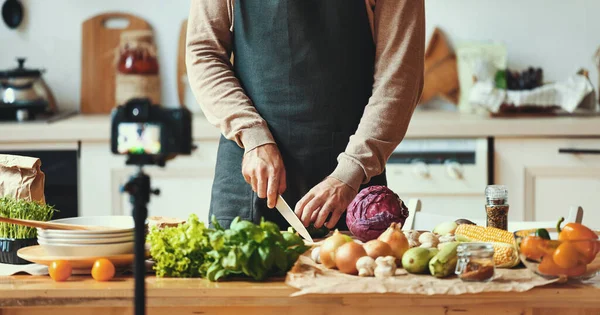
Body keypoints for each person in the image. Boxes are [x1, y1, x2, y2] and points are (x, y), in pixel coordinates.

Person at [186, 0, 425, 231]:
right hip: (250, 171)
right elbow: (204, 52)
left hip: (348, 185)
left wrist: (351, 171)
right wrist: (252, 135)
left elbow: (399, 77)